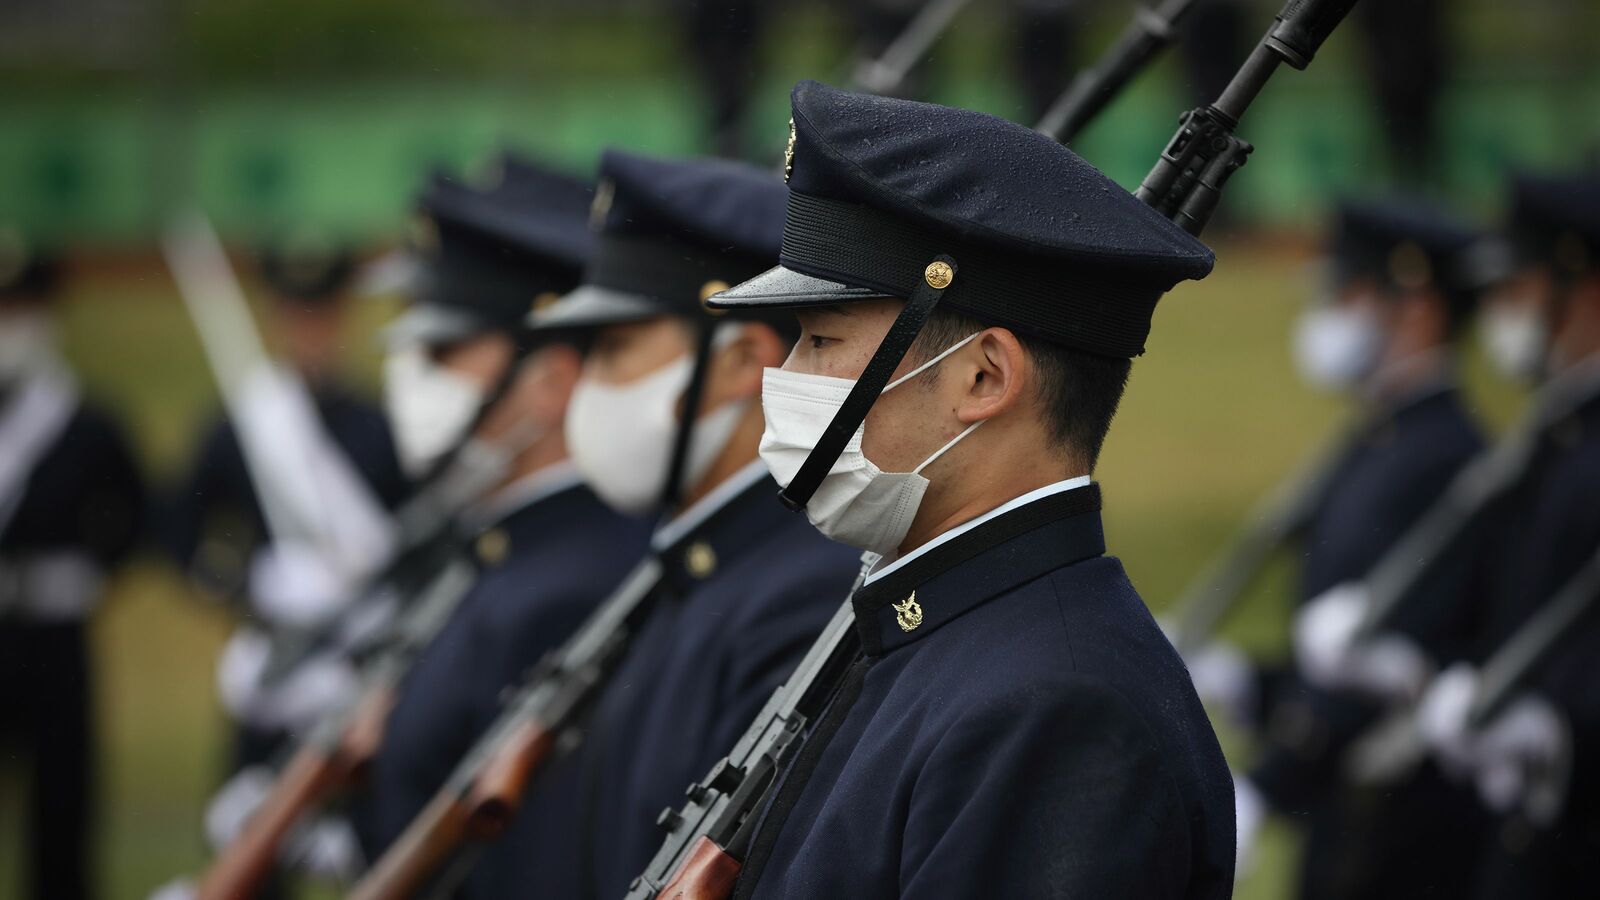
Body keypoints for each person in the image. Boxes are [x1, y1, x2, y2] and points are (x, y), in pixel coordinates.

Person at [698, 80, 1233, 898]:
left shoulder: (1056, 718)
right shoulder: (932, 634)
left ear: (983, 376)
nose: (785, 376)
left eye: (820, 340)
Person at [463, 149, 861, 899]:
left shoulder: (799, 597)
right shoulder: (684, 574)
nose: (586, 386)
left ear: (744, 363)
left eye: (615, 350)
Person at [358, 156, 654, 858]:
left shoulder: (569, 587)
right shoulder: (500, 553)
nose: (410, 377)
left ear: (551, 382)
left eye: (443, 349)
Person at [1206, 198, 1493, 898]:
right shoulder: (1378, 438)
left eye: (1351, 292)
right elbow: (1335, 650)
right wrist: (1253, 679)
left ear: (1418, 308)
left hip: (1402, 826)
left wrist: (1271, 784)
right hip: (1349, 815)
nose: (1333, 312)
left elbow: (1400, 657)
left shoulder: (1446, 456)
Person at [1414, 171, 1600, 898]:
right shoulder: (1556, 436)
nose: (1500, 312)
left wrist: (1563, 732)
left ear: (1580, 286)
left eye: (1517, 287)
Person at [0, 231, 145, 900]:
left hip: (56, 633)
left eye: (22, 308)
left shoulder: (85, 420)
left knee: (63, 809)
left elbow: (133, 515)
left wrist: (95, 567)